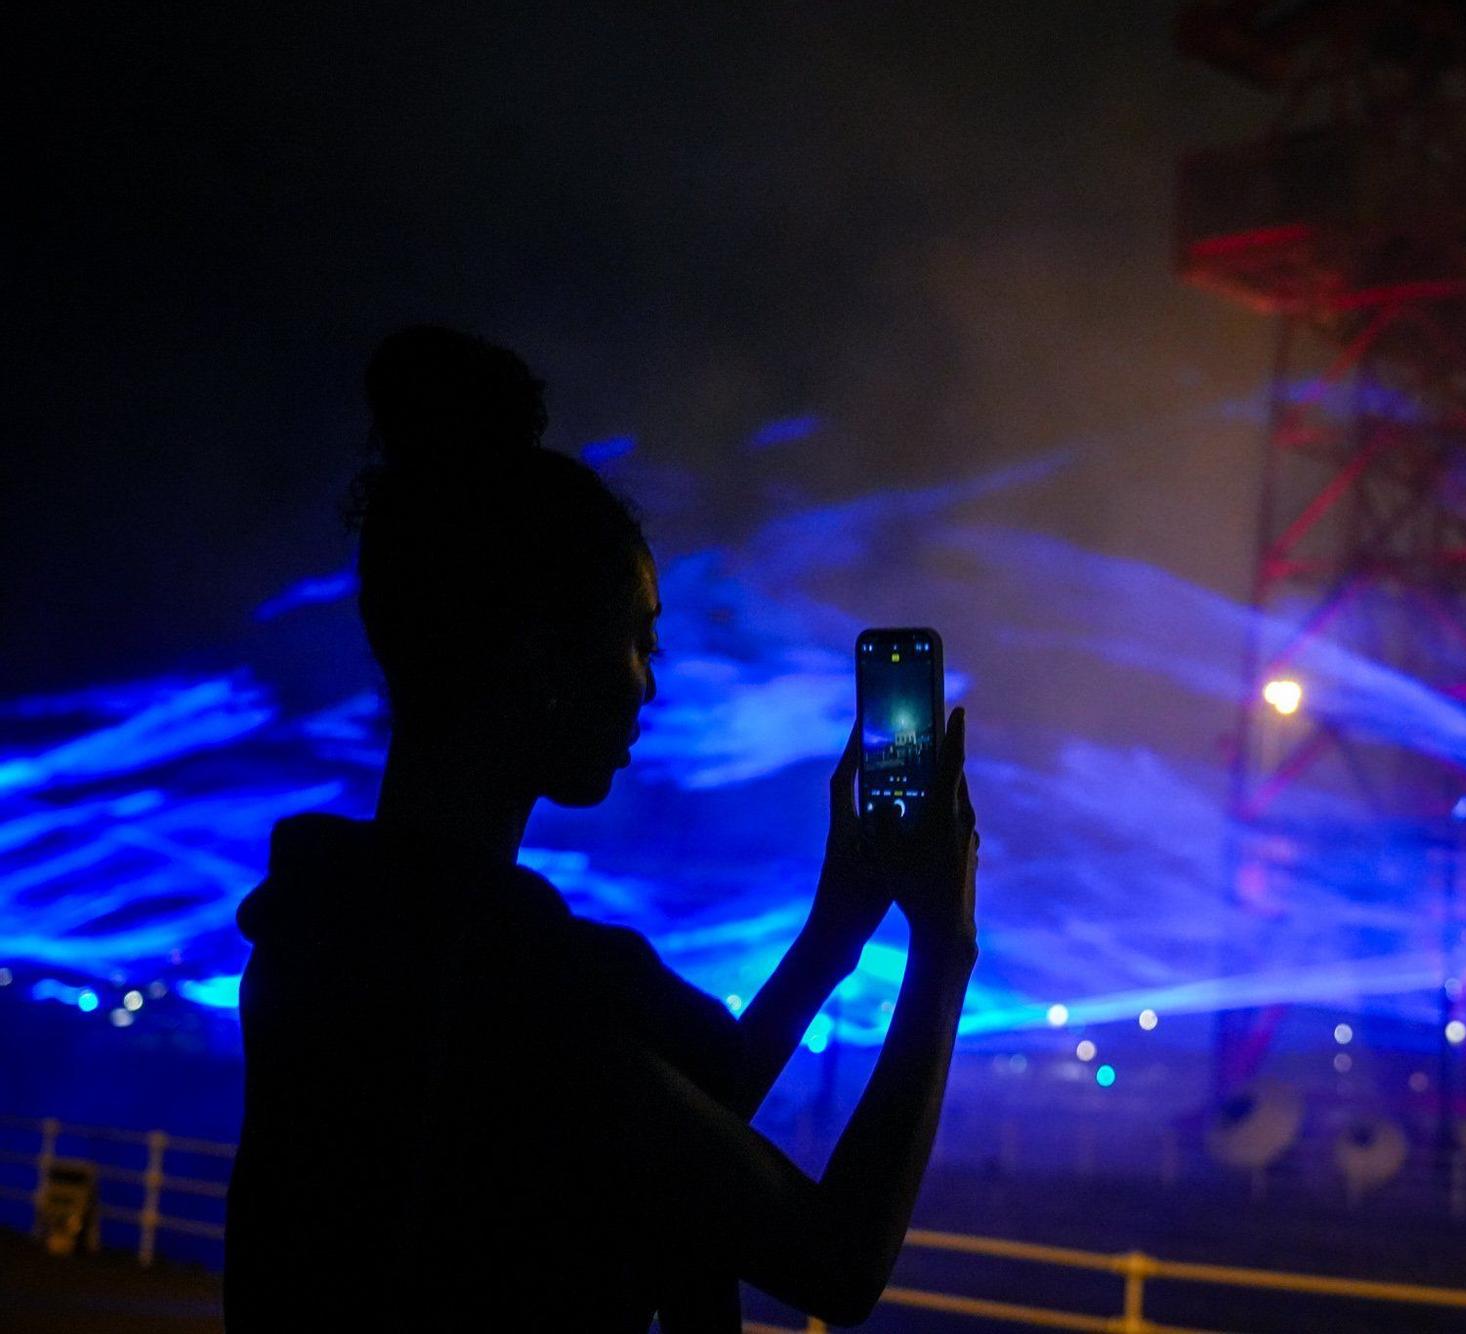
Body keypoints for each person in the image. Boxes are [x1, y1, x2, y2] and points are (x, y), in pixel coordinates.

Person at [223, 327, 980, 1332]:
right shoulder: (513, 978)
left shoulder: (326, 930)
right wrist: (942, 951)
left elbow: (684, 1107)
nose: (648, 685)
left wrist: (836, 927)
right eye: (636, 636)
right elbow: (837, 1258)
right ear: (540, 657)